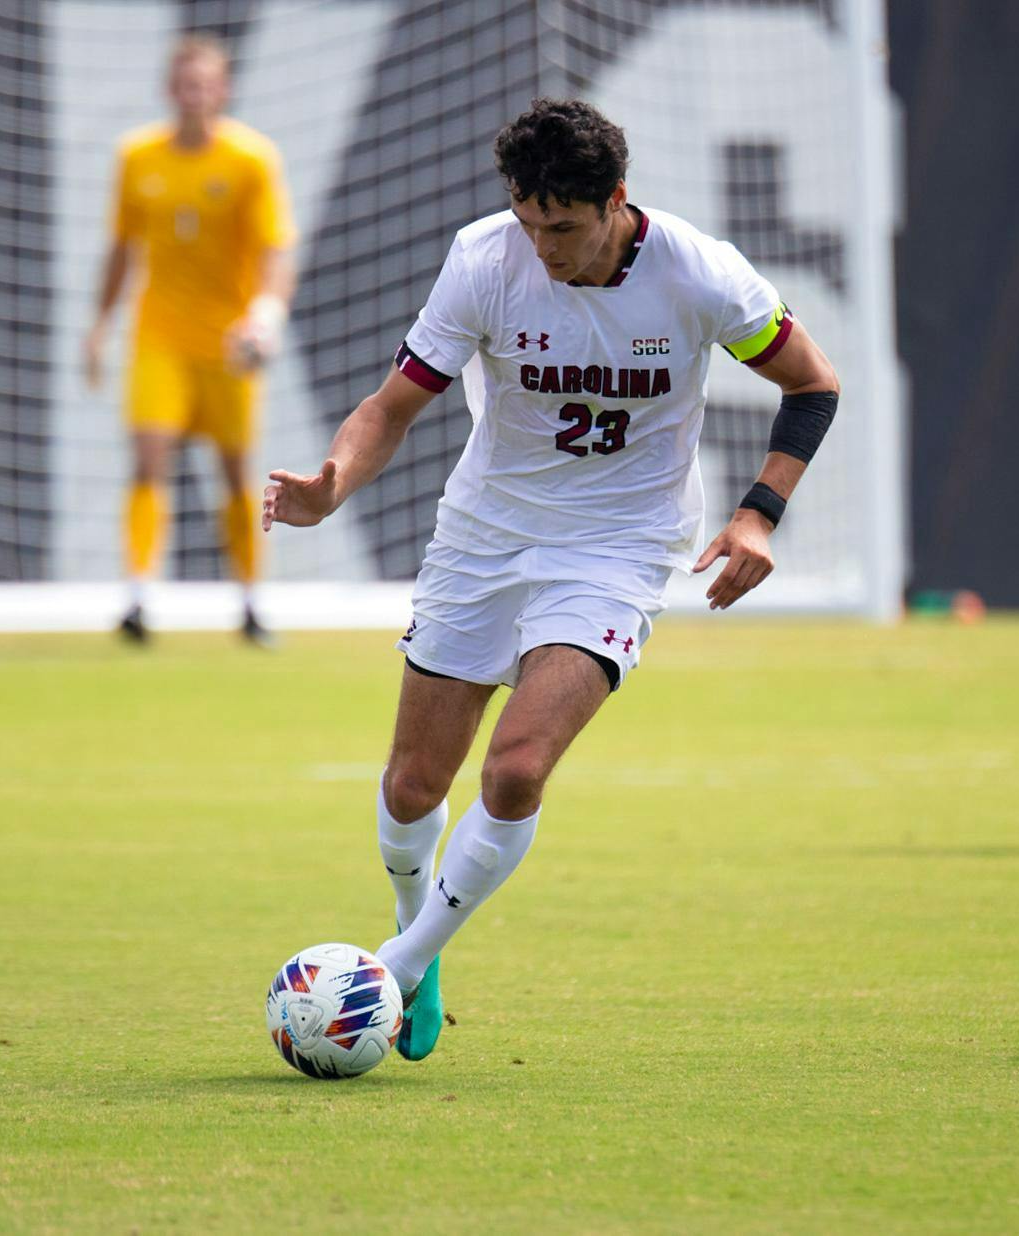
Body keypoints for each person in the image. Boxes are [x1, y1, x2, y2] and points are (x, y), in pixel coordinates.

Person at [262, 98, 841, 1060]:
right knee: (412, 789)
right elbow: (392, 407)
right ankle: (419, 937)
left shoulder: (700, 275)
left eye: (563, 229)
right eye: (529, 224)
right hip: (485, 535)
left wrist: (757, 513)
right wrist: (333, 483)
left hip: (618, 545)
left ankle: (399, 966)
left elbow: (812, 383)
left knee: (519, 766)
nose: (543, 249)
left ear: (617, 201)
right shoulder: (485, 259)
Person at [84, 35, 298, 646]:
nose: (193, 95)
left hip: (229, 342)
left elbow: (274, 249)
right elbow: (121, 250)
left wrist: (265, 314)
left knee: (234, 474)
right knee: (149, 456)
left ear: (221, 91)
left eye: (204, 84)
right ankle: (138, 597)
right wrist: (100, 325)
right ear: (169, 90)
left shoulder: (250, 159)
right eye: (184, 84)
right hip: (160, 335)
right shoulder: (138, 157)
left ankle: (253, 602)